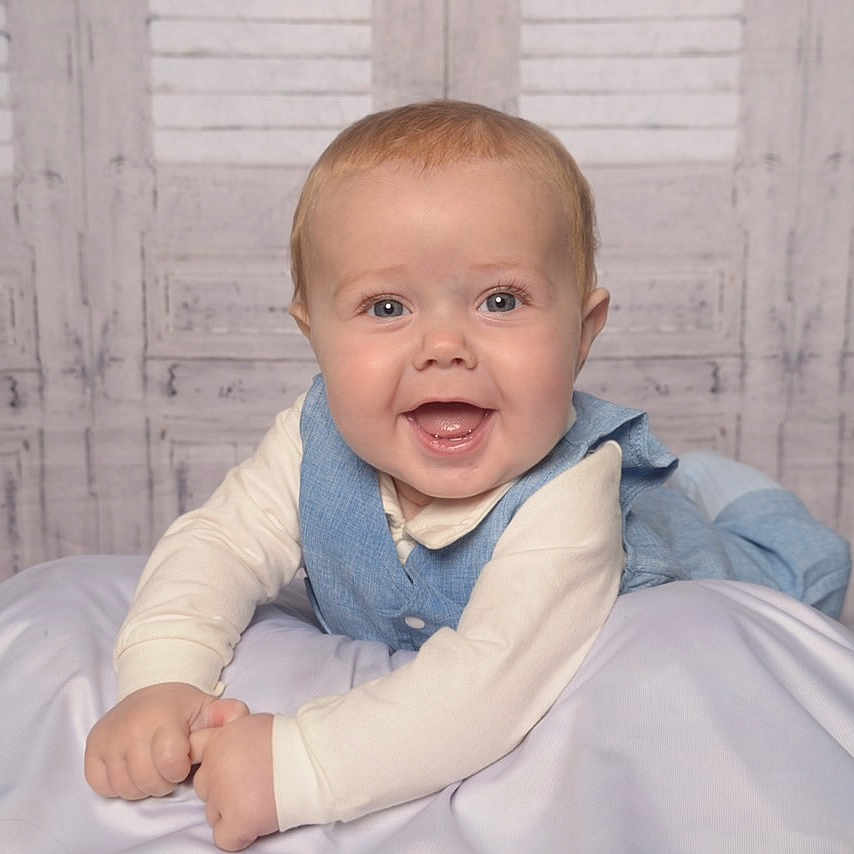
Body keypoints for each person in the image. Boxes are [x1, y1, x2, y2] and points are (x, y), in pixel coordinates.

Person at [84, 100, 851, 851]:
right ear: (312, 334)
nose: (444, 345)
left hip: (688, 564)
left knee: (776, 560)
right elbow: (217, 543)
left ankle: (724, 493)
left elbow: (490, 685)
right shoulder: (311, 437)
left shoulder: (567, 488)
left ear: (582, 335)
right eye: (386, 306)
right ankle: (702, 478)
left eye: (500, 300)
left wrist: (296, 764)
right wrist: (162, 679)